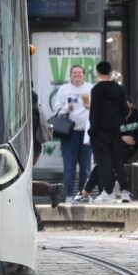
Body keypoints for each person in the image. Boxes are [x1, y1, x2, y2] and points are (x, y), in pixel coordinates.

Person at [77, 96, 138, 202]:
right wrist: (122, 138)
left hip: (136, 150)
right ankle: (113, 192)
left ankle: (91, 192)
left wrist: (133, 142)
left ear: (130, 104)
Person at [88, 61, 131, 203]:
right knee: (118, 161)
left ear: (98, 72)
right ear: (110, 71)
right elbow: (125, 110)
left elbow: (94, 113)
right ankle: (125, 191)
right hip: (116, 131)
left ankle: (109, 192)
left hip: (99, 132)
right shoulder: (119, 89)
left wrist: (92, 131)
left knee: (103, 162)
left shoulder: (96, 90)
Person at [51, 66, 92, 199]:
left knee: (86, 167)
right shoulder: (64, 89)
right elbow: (56, 110)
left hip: (86, 133)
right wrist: (66, 108)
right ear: (70, 75)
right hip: (70, 133)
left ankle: (83, 194)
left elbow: (98, 108)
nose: (77, 75)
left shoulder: (90, 88)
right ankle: (68, 195)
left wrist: (89, 107)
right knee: (69, 167)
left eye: (79, 72)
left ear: (84, 75)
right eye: (74, 73)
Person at [31, 90, 63, 230]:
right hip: (31, 149)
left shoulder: (30, 108)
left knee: (20, 185)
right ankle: (51, 189)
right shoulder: (32, 105)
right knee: (20, 185)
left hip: (29, 150)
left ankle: (37, 222)